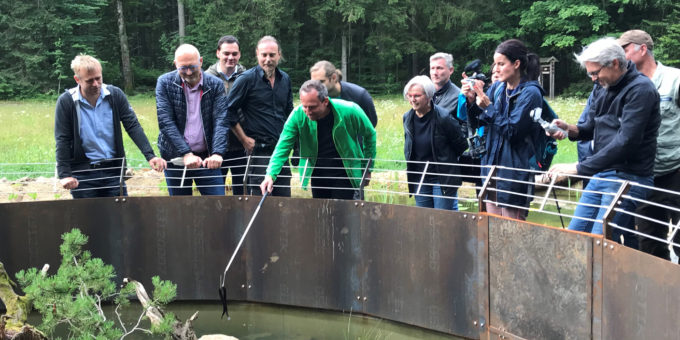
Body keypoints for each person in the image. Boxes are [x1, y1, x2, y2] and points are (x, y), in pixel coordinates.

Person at [548, 37, 660, 248]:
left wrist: (578, 168)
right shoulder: (602, 86)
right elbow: (591, 128)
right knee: (575, 237)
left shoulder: (641, 90)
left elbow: (626, 142)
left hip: (629, 177)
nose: (592, 78)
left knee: (600, 243)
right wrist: (569, 128)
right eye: (590, 73)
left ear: (615, 63)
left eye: (595, 72)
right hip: (601, 174)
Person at [55, 54, 166, 199]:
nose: (96, 84)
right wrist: (64, 175)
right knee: (87, 220)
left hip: (113, 170)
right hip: (83, 174)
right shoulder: (66, 102)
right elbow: (62, 138)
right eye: (90, 81)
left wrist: (150, 155)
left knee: (119, 218)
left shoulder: (115, 95)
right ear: (78, 80)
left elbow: (132, 126)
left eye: (98, 78)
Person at [462, 39, 543, 220]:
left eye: (501, 64)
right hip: (491, 169)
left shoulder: (531, 93)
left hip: (514, 173)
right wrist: (471, 99)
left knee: (511, 233)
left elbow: (513, 132)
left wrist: (488, 107)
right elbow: (480, 121)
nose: (495, 69)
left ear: (516, 64)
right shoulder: (498, 88)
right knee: (492, 230)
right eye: (495, 64)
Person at [618, 29, 680, 259]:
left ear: (642, 49)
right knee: (650, 243)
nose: (620, 56)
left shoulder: (675, 79)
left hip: (676, 170)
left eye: (624, 50)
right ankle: (662, 293)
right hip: (644, 175)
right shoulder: (625, 85)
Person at [259, 80, 376, 199]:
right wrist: (270, 175)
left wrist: (368, 168)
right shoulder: (297, 115)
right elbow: (282, 147)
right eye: (305, 106)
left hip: (346, 174)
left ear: (325, 101)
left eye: (312, 107)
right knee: (321, 214)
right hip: (318, 174)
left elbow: (370, 134)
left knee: (344, 215)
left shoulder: (350, 110)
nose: (308, 112)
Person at [155, 44, 229, 196]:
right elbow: (165, 121)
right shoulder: (164, 83)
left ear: (201, 61)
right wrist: (186, 153)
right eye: (183, 68)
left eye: (192, 66)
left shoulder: (215, 84)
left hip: (207, 159)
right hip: (175, 157)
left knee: (218, 206)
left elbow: (221, 120)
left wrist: (217, 153)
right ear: (175, 64)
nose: (188, 72)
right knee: (180, 210)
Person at [227, 36, 294, 196]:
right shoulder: (246, 80)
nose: (268, 59)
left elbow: (289, 113)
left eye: (272, 55)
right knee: (260, 202)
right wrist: (243, 139)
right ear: (257, 54)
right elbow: (228, 111)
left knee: (283, 202)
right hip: (258, 152)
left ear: (279, 55)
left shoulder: (285, 79)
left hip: (281, 151)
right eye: (264, 55)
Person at [403, 76, 467, 210]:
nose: (412, 99)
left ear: (428, 96)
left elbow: (461, 144)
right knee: (424, 219)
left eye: (417, 96)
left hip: (441, 177)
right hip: (420, 176)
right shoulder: (407, 117)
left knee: (443, 219)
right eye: (410, 95)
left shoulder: (443, 117)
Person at [205, 35, 248, 195]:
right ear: (218, 53)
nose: (230, 57)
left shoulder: (248, 77)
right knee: (215, 194)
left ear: (239, 54)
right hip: (215, 147)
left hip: (242, 145)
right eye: (226, 53)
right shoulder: (206, 78)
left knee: (242, 193)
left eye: (234, 54)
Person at [309, 60, 377, 127]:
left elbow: (371, 123)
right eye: (314, 82)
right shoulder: (314, 98)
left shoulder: (359, 95)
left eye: (321, 81)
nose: (316, 86)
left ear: (334, 78)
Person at [429, 52, 461, 117]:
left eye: (439, 68)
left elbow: (465, 125)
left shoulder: (459, 97)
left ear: (451, 70)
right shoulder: (425, 94)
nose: (435, 72)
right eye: (432, 68)